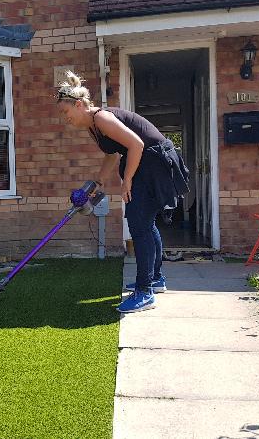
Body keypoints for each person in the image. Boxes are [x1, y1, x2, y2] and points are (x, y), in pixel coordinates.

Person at [56, 71, 180, 313]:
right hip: (148, 164)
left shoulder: (102, 118)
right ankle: (155, 279)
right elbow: (112, 154)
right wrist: (99, 180)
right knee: (146, 223)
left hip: (155, 165)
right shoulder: (93, 126)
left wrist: (128, 181)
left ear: (79, 105)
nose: (65, 118)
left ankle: (145, 292)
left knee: (139, 225)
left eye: (65, 112)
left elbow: (137, 144)